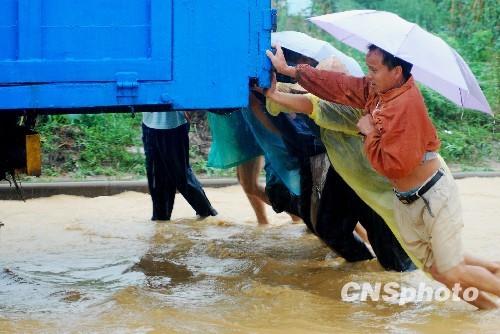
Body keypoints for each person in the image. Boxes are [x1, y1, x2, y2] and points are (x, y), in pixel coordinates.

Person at [266, 45, 500, 309]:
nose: (368, 75)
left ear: (396, 70)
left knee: (448, 270)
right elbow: (339, 84)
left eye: (374, 69)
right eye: (367, 68)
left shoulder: (404, 107)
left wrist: (369, 133)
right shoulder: (377, 91)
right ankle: (489, 310)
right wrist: (290, 71)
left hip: (429, 196)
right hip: (402, 199)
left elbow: (395, 166)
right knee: (438, 270)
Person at [252, 57, 414, 272]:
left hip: (369, 179)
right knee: (329, 229)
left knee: (392, 257)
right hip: (340, 173)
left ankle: (401, 281)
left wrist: (273, 93)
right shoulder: (327, 99)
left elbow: (313, 105)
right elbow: (299, 95)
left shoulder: (352, 108)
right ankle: (363, 264)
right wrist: (263, 86)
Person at [142, 111, 217, 221]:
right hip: (149, 123)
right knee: (156, 177)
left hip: (174, 125)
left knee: (181, 176)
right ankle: (161, 222)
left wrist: (191, 107)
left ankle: (208, 215)